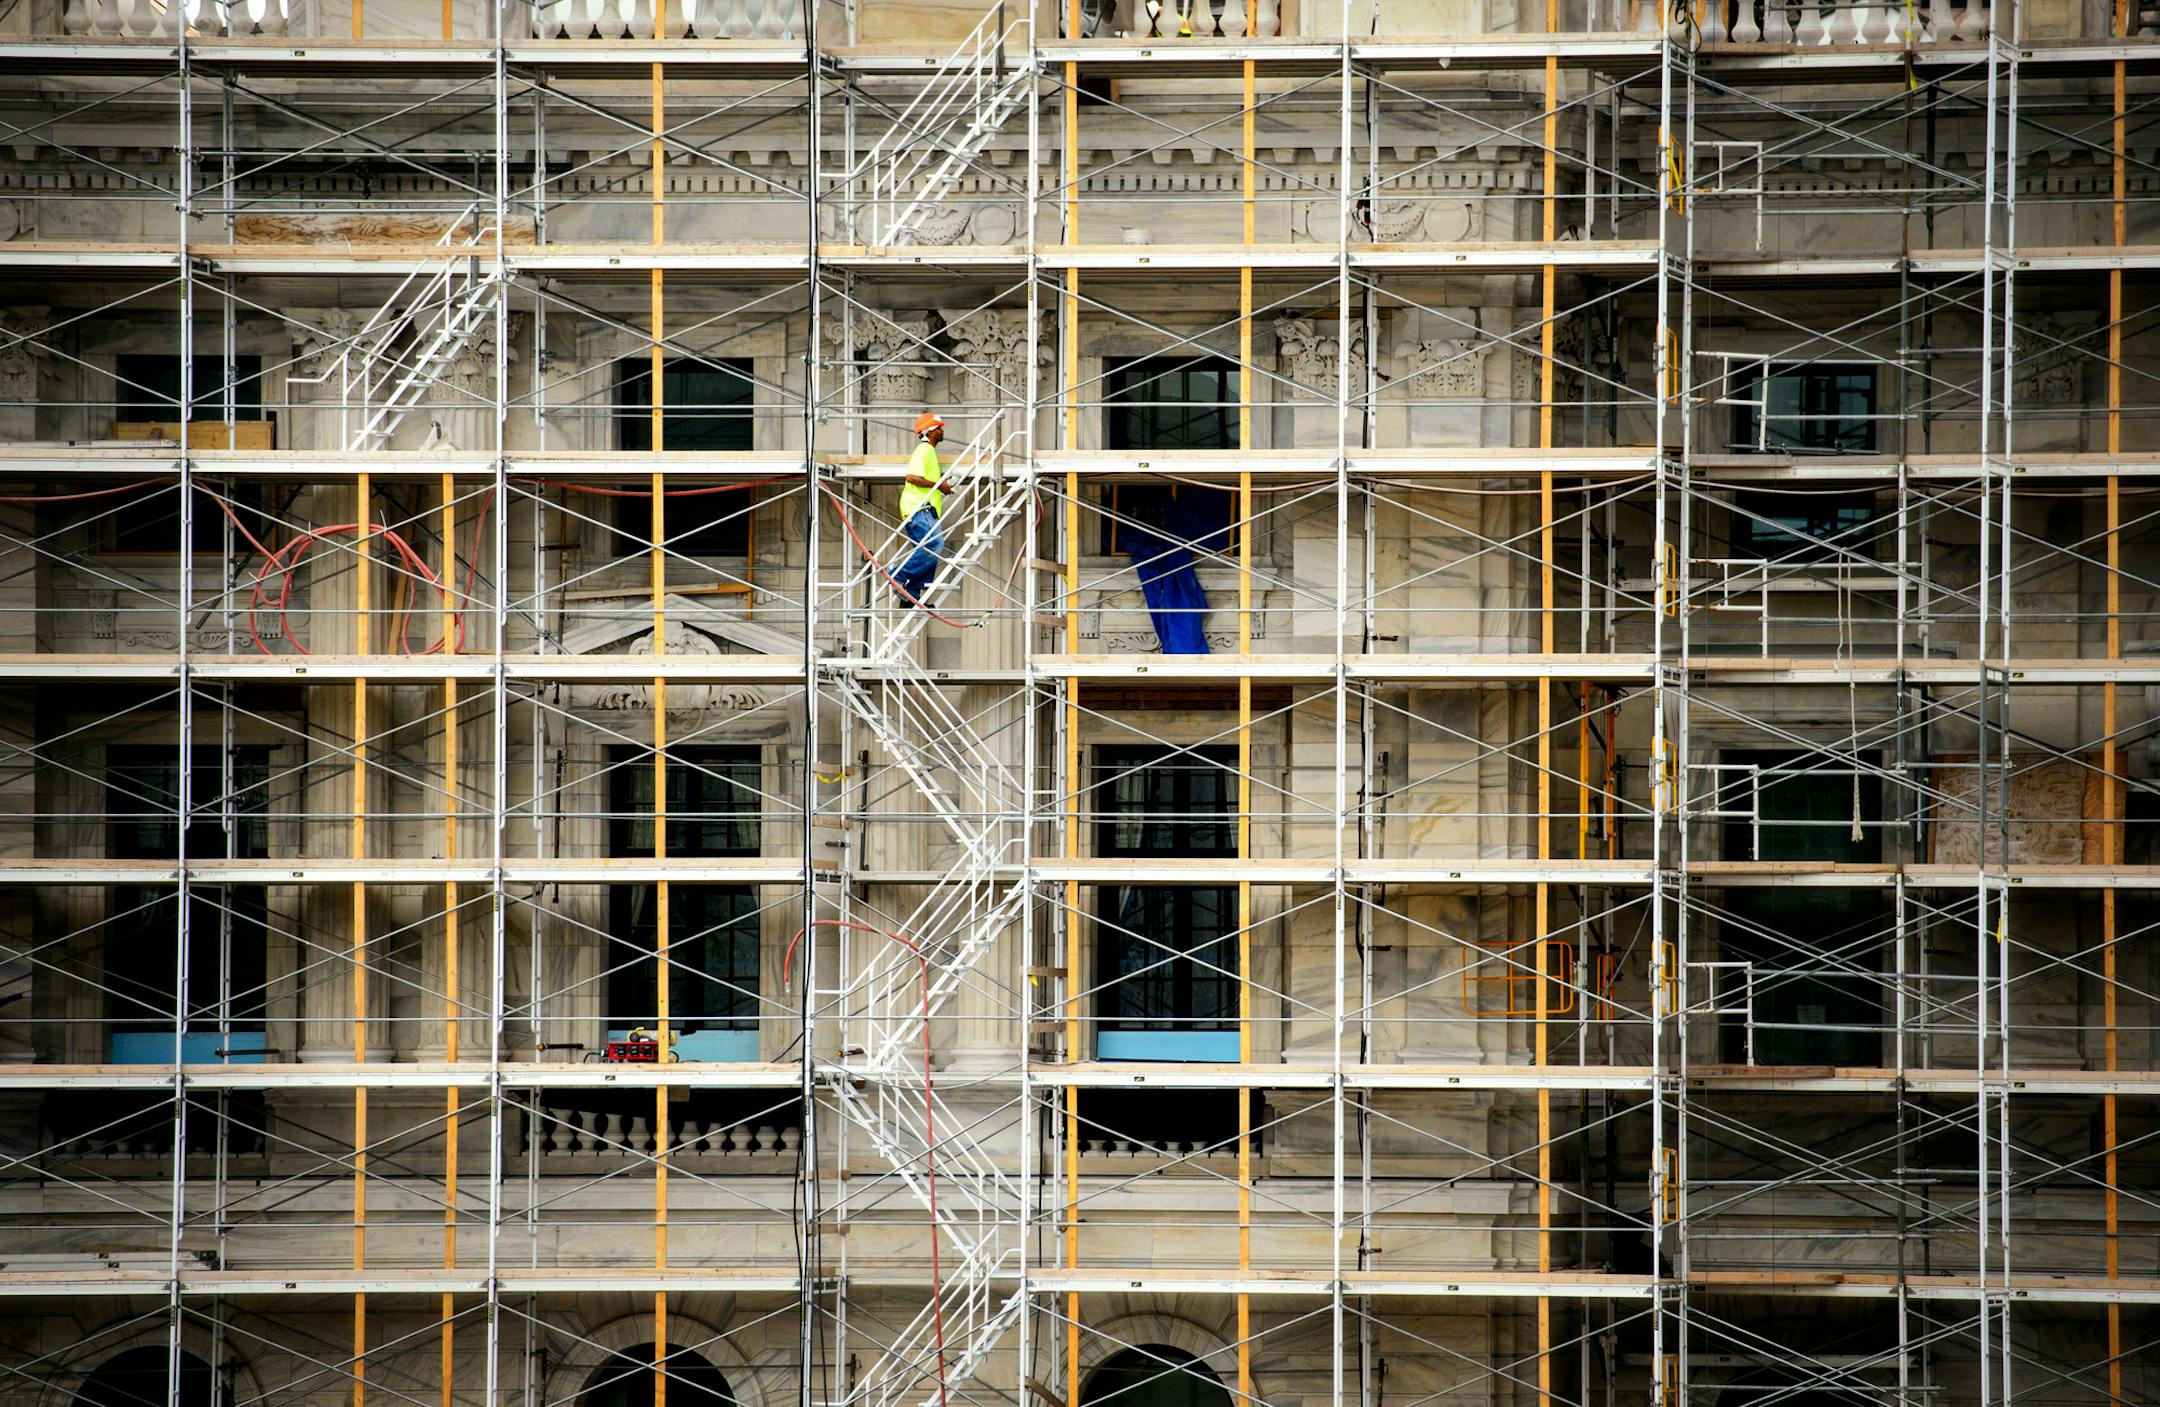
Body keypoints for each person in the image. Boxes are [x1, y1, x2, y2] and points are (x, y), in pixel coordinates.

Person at [892, 411, 948, 606]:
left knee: (927, 552)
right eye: (938, 428)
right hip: (919, 508)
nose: (942, 430)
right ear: (930, 431)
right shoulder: (924, 449)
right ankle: (898, 575)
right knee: (934, 545)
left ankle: (911, 596)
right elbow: (912, 477)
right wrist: (940, 485)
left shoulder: (929, 451)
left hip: (922, 509)